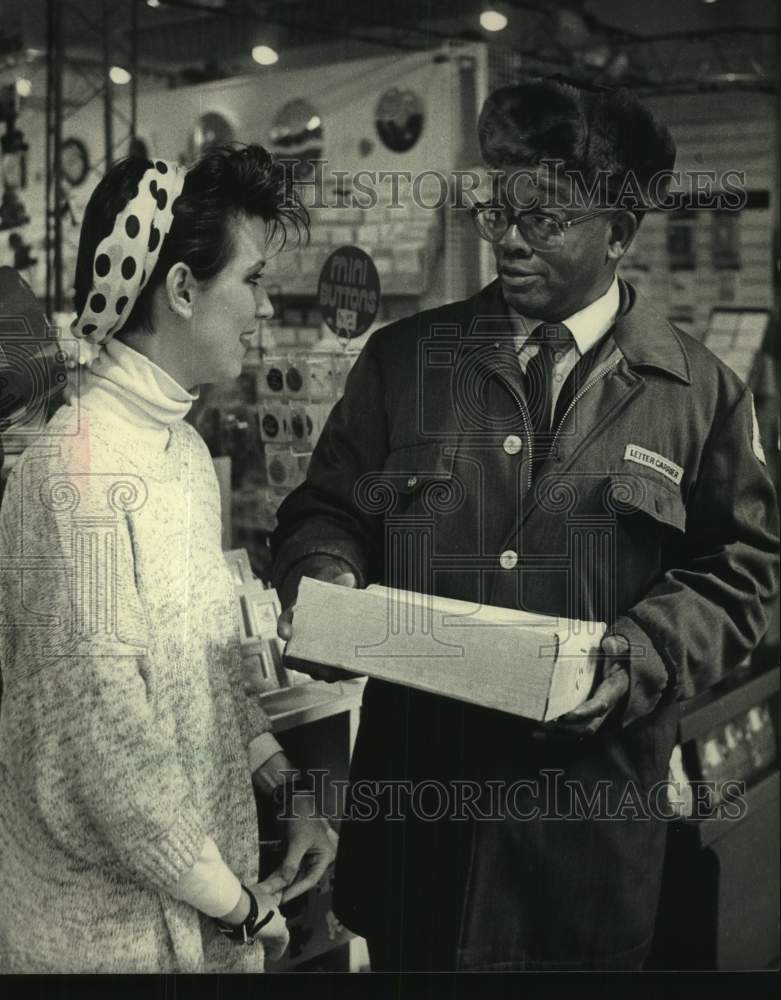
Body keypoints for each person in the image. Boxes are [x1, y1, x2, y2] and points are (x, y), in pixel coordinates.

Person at [270, 79, 780, 971]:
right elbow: (326, 510)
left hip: (580, 857)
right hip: (415, 842)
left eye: (543, 220)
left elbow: (742, 571)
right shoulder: (405, 363)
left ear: (619, 233)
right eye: (496, 210)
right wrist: (328, 575)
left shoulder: (698, 396)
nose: (508, 237)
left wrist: (636, 657)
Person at [0, 146, 336, 973]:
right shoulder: (73, 474)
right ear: (182, 289)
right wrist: (241, 904)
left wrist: (285, 785)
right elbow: (105, 751)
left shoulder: (181, 452)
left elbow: (213, 671)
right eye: (252, 281)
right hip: (105, 939)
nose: (263, 307)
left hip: (203, 915)